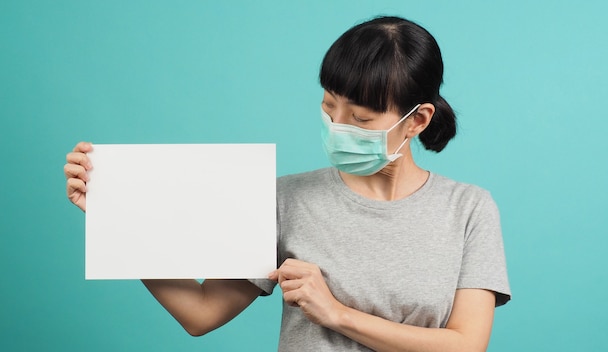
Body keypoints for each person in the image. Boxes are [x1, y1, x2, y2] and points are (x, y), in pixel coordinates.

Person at [64, 16, 510, 352]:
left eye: (361, 119)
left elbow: (466, 344)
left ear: (418, 120)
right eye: (329, 106)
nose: (338, 126)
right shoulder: (284, 199)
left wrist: (335, 313)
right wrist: (117, 217)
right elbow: (200, 313)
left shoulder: (468, 209)